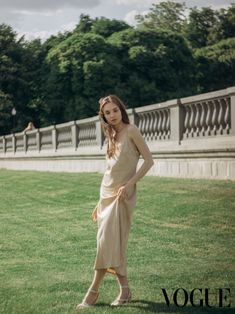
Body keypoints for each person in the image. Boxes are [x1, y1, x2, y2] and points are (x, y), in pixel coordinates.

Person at [76, 95, 154, 311]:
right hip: (106, 196)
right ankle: (125, 290)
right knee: (112, 244)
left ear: (122, 110)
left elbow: (149, 161)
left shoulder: (131, 131)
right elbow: (109, 171)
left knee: (105, 244)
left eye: (115, 110)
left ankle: (92, 292)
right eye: (107, 113)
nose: (112, 115)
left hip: (122, 196)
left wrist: (130, 184)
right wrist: (99, 202)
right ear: (103, 116)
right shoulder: (110, 134)